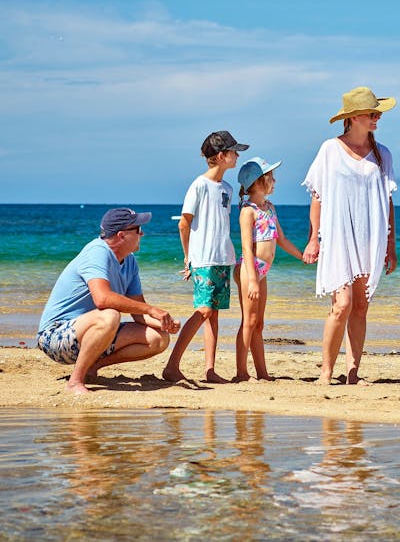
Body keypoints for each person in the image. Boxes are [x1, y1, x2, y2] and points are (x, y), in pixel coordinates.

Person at [302, 86, 398, 386]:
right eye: (372, 113)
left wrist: (391, 244)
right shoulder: (329, 150)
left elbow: (388, 200)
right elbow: (317, 196)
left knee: (360, 305)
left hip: (371, 236)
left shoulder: (383, 154)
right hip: (339, 236)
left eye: (377, 113)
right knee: (341, 304)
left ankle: (353, 372)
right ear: (354, 117)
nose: (377, 117)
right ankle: (326, 372)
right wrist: (313, 238)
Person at [37, 207, 181, 395]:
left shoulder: (129, 262)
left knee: (159, 339)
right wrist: (151, 309)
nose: (142, 233)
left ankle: (93, 365)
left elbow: (139, 314)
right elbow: (102, 299)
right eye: (138, 230)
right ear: (122, 235)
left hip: (92, 333)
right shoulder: (97, 252)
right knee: (110, 314)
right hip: (55, 337)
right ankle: (75, 381)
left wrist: (164, 323)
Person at [163, 130, 249, 384]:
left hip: (223, 257)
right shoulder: (199, 185)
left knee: (213, 314)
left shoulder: (228, 188)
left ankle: (210, 370)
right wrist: (188, 258)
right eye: (233, 152)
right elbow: (184, 223)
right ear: (222, 156)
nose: (237, 156)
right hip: (204, 259)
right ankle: (172, 366)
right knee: (203, 311)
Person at [232, 157, 305, 382]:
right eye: (271, 177)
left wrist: (302, 256)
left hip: (262, 271)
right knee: (249, 320)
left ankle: (262, 372)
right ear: (258, 182)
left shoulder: (270, 208)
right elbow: (246, 247)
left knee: (259, 323)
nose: (275, 181)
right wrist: (252, 279)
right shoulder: (248, 211)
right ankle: (241, 372)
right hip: (249, 269)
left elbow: (280, 239)